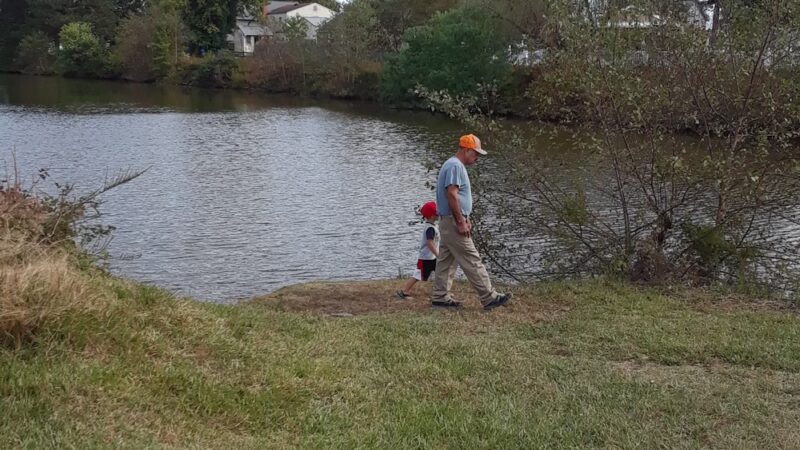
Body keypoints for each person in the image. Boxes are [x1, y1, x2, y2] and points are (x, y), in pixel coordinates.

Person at [431, 134, 512, 310]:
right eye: (475, 154)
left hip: (448, 221)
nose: (477, 158)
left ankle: (440, 297)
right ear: (466, 150)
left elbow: (454, 196)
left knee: (446, 260)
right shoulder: (455, 166)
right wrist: (461, 221)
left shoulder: (452, 164)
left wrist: (464, 216)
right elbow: (452, 194)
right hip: (453, 222)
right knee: (471, 258)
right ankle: (489, 298)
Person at [396, 201, 439, 299]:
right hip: (426, 258)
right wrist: (437, 254)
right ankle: (404, 292)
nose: (439, 214)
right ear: (432, 215)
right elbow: (429, 243)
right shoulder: (430, 229)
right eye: (437, 213)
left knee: (440, 273)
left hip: (432, 257)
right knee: (418, 275)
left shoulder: (433, 227)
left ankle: (440, 292)